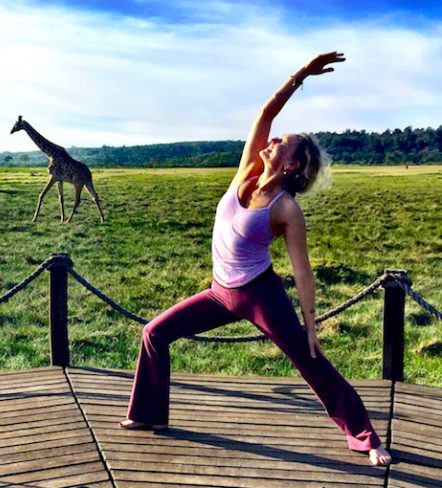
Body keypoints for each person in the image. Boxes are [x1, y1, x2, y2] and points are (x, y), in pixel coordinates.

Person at [119, 52, 392, 467]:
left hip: (260, 295)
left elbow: (302, 270)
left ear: (292, 163)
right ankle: (147, 414)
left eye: (283, 142)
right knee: (154, 333)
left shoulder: (286, 209)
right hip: (219, 291)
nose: (273, 140)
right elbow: (266, 112)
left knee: (310, 360)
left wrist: (311, 325)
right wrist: (301, 75)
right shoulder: (246, 172)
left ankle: (366, 437)